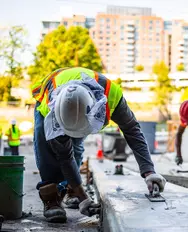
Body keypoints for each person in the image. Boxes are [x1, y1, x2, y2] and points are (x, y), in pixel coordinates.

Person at [32, 67, 166, 223]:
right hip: (51, 96)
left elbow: (133, 131)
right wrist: (84, 197)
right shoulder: (51, 109)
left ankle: (72, 189)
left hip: (80, 103)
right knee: (46, 150)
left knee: (76, 148)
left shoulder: (112, 96)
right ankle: (52, 197)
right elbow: (64, 156)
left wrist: (149, 171)